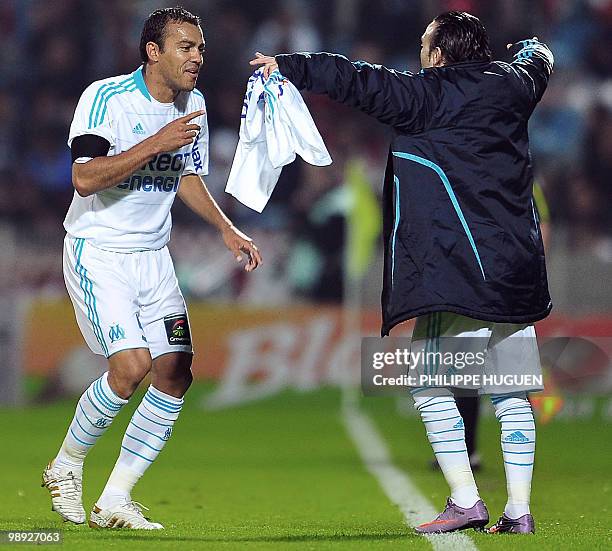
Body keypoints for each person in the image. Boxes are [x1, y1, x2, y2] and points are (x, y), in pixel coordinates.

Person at [252, 10, 553, 535]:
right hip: (518, 271)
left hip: (460, 272)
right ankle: (520, 511)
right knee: (511, 390)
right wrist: (530, 46)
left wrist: (289, 66)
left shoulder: (425, 96)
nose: (419, 53)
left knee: (429, 384)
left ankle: (465, 500)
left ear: (438, 55)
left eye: (423, 45)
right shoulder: (514, 86)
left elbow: (356, 80)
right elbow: (539, 59)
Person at [42, 7, 262, 530]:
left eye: (201, 48)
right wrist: (154, 144)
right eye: (185, 47)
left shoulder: (195, 104)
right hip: (100, 252)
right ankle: (66, 464)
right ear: (153, 51)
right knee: (131, 367)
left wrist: (225, 227)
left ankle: (116, 497)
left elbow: (184, 174)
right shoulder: (106, 98)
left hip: (154, 258)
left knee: (175, 371)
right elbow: (85, 178)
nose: (197, 57)